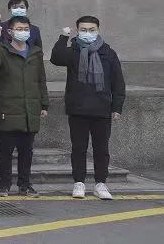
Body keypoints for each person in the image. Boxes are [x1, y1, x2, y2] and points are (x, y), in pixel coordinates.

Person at [50, 16, 125, 201]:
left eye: (92, 30)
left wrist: (117, 107)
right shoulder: (73, 51)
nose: (88, 33)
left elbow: (118, 81)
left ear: (98, 30)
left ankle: (101, 183)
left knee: (101, 149)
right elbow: (56, 58)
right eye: (83, 30)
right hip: (78, 109)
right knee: (79, 148)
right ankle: (79, 182)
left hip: (102, 109)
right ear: (77, 31)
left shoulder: (108, 53)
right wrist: (63, 37)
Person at [0, 16, 48, 198]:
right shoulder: (4, 49)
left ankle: (25, 184)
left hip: (30, 109)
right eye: (19, 29)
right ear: (10, 32)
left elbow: (41, 79)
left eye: (25, 29)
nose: (22, 32)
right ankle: (4, 185)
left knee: (26, 151)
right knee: (5, 151)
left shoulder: (35, 52)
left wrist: (44, 104)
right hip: (8, 108)